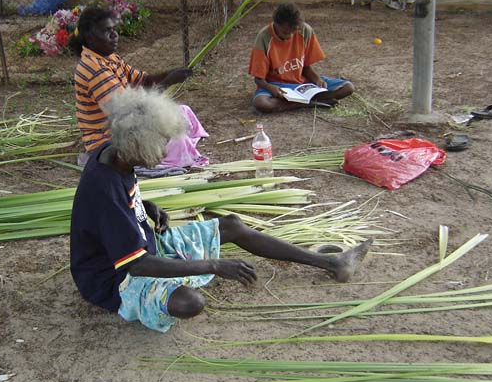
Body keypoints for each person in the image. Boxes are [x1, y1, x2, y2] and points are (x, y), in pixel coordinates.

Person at [69, 87, 372, 332]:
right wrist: (213, 265)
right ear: (136, 143)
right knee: (190, 303)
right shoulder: (106, 188)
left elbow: (117, 209)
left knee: (231, 225)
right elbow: (137, 266)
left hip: (143, 245)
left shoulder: (114, 154)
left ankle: (332, 262)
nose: (165, 152)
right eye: (161, 143)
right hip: (114, 280)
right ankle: (172, 285)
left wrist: (144, 205)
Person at [69, 7, 192, 160]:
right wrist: (167, 82)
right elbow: (127, 112)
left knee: (184, 112)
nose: (114, 35)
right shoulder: (94, 68)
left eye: (114, 29)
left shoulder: (110, 58)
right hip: (107, 141)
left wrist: (171, 74)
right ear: (90, 38)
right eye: (107, 31)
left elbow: (144, 81)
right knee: (177, 140)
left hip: (123, 125)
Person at [249, 3, 354, 113]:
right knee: (261, 103)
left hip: (302, 84)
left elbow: (306, 67)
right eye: (285, 32)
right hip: (276, 85)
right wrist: (271, 88)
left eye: (294, 32)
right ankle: (307, 103)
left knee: (348, 87)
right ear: (276, 24)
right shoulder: (264, 37)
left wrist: (317, 79)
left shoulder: (305, 30)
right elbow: (258, 79)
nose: (290, 36)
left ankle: (298, 102)